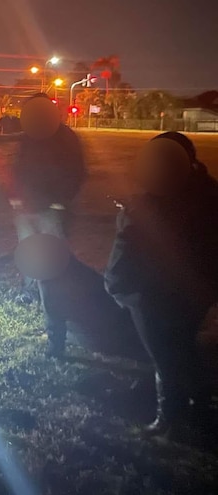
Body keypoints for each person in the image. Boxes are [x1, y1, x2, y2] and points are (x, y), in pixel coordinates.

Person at [105, 132, 218, 435]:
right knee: (183, 348)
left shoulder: (151, 205)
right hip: (195, 294)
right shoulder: (208, 192)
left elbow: (129, 249)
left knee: (164, 356)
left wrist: (117, 284)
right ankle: (201, 403)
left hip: (151, 295)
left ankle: (169, 419)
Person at [11, 93, 85, 300]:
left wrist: (61, 200)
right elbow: (17, 167)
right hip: (26, 206)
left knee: (53, 252)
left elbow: (76, 171)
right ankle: (29, 290)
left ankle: (57, 291)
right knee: (28, 250)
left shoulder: (66, 138)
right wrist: (14, 195)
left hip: (52, 208)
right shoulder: (27, 137)